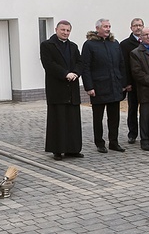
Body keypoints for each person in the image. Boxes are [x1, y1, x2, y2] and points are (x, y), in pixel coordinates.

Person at [40, 20, 83, 161]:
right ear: (56, 29)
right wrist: (65, 73)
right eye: (62, 30)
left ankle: (73, 149)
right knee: (58, 120)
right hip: (57, 88)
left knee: (73, 120)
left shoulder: (73, 46)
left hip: (72, 88)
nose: (65, 33)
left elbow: (80, 62)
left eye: (68, 30)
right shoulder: (47, 45)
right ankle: (57, 150)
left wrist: (76, 72)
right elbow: (49, 64)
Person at [82, 18, 126, 153]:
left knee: (114, 117)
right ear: (97, 28)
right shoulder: (89, 45)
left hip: (114, 86)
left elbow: (121, 64)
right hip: (99, 87)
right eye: (105, 26)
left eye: (109, 26)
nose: (108, 29)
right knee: (98, 118)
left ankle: (114, 142)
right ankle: (99, 142)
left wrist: (123, 83)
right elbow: (85, 67)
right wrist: (89, 87)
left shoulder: (114, 43)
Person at [119, 18, 146, 144]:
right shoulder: (125, 44)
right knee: (133, 109)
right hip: (133, 83)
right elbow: (123, 65)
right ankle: (132, 133)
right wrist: (126, 83)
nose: (138, 28)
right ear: (131, 28)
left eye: (140, 25)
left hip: (146, 83)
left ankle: (147, 132)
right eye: (135, 25)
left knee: (146, 109)